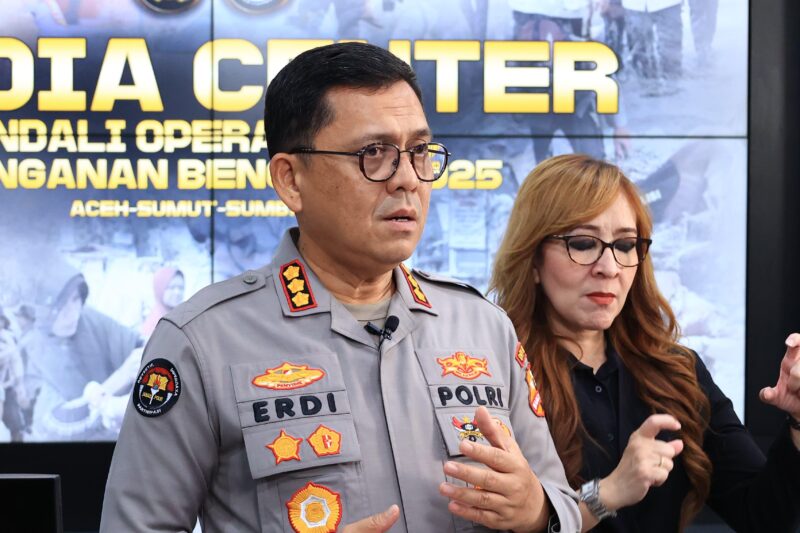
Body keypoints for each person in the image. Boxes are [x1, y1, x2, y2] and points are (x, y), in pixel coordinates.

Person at [100, 42, 580, 532]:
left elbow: (559, 501)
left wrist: (536, 512)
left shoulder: (481, 326)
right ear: (290, 180)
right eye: (374, 154)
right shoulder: (202, 342)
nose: (407, 180)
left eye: (419, 152)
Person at [490, 154, 800, 532]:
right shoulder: (495, 374)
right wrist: (606, 494)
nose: (609, 268)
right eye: (583, 243)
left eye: (625, 245)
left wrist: (798, 423)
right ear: (533, 259)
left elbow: (765, 517)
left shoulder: (677, 371)